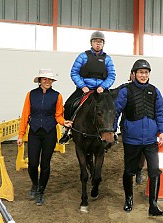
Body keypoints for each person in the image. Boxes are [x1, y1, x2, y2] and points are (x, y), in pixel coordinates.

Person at [114, 59, 163, 216]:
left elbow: (160, 112)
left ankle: (153, 205)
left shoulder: (154, 91)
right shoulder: (125, 91)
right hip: (131, 139)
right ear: (134, 74)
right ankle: (128, 199)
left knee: (154, 171)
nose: (143, 75)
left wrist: (162, 131)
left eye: (146, 72)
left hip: (151, 140)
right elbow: (116, 111)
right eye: (140, 72)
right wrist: (112, 129)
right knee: (129, 170)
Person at [17, 69, 72, 206]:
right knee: (33, 163)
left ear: (53, 81)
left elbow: (58, 115)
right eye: (45, 79)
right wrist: (20, 134)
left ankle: (41, 191)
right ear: (40, 80)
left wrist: (63, 122)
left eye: (50, 79)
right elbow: (25, 115)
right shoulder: (31, 95)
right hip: (34, 133)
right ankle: (35, 184)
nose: (47, 82)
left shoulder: (57, 96)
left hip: (49, 133)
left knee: (45, 164)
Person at [59, 30, 116, 144]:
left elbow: (111, 75)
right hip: (84, 89)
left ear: (103, 44)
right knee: (69, 104)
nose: (98, 44)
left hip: (101, 90)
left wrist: (103, 87)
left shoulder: (107, 59)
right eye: (95, 41)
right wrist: (82, 86)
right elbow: (74, 72)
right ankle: (68, 131)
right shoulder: (83, 56)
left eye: (100, 42)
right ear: (91, 43)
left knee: (111, 108)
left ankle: (112, 132)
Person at [118, 71, 146, 185]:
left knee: (142, 151)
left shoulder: (148, 89)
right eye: (134, 74)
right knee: (129, 152)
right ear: (131, 75)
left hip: (143, 127)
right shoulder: (124, 89)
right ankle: (130, 170)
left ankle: (139, 170)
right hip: (128, 125)